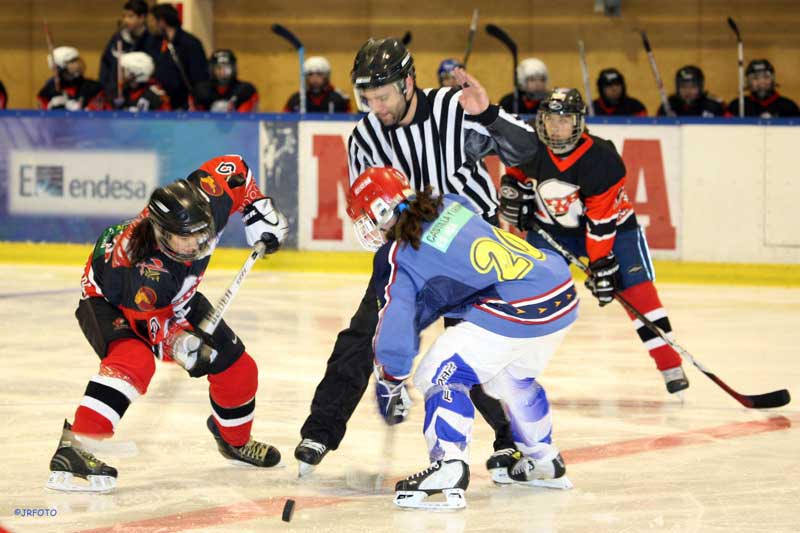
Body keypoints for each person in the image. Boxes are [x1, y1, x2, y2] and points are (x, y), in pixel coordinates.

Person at [294, 36, 544, 482]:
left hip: (469, 247)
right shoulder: (365, 137)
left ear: (408, 83)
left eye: (383, 97)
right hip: (409, 248)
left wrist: (488, 115)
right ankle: (320, 431)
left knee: (475, 344)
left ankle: (513, 439)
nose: (376, 108)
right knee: (363, 334)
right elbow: (371, 208)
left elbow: (528, 151)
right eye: (368, 98)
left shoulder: (453, 108)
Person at [46, 155, 289, 493]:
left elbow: (235, 169)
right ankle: (76, 446)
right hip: (108, 300)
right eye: (183, 238)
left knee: (239, 369)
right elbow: (154, 331)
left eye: (200, 234)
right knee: (134, 361)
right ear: (160, 232)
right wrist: (183, 345)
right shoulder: (143, 272)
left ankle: (234, 441)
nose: (194, 244)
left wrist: (256, 209)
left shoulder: (209, 202)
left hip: (177, 296)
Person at [346, 167, 576, 509]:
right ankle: (544, 460)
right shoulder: (450, 203)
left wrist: (391, 379)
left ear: (381, 210)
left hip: (516, 304)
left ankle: (449, 466)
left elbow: (398, 320)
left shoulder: (397, 254)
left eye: (368, 218)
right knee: (509, 379)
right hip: (558, 290)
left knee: (438, 372)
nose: (370, 229)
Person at [499, 88, 690, 395]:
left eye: (564, 121)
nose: (556, 128)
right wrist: (512, 188)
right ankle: (508, 368)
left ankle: (670, 365)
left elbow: (601, 223)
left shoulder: (602, 159)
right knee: (529, 292)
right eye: (551, 120)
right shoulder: (530, 146)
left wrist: (600, 264)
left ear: (579, 123)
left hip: (614, 229)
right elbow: (515, 171)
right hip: (552, 230)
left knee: (638, 291)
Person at [150, 2, 209, 110]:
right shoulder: (155, 42)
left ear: (162, 22)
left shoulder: (190, 44)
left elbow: (200, 77)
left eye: (153, 21)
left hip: (185, 105)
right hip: (161, 104)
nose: (151, 25)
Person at [98, 0, 156, 106]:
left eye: (130, 16)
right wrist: (108, 88)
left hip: (141, 99)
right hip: (115, 96)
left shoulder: (152, 41)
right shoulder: (117, 39)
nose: (125, 20)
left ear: (142, 18)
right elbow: (106, 63)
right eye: (124, 16)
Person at [37, 46, 106, 111]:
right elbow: (40, 115)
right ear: (59, 67)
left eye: (78, 60)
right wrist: (50, 109)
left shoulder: (93, 88)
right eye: (72, 62)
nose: (78, 65)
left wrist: (78, 111)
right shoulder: (48, 91)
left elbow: (97, 113)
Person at [727, 59, 800, 118]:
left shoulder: (788, 107)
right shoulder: (738, 105)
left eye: (766, 77)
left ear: (773, 79)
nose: (761, 82)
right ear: (748, 82)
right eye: (755, 78)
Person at [192, 49, 259, 112]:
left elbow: (246, 117)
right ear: (211, 69)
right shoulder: (200, 91)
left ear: (234, 68)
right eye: (218, 68)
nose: (222, 72)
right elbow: (194, 116)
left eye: (227, 68)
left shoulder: (245, 91)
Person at [283, 56, 351, 113]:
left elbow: (350, 120)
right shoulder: (296, 99)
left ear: (327, 76)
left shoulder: (339, 98)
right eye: (310, 74)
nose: (314, 78)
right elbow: (284, 121)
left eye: (319, 74)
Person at [658, 65, 726, 117]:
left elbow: (730, 126)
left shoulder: (713, 106)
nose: (688, 91)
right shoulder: (669, 106)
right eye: (683, 87)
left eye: (693, 87)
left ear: (700, 87)